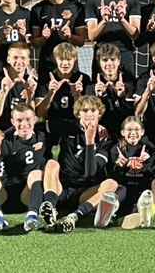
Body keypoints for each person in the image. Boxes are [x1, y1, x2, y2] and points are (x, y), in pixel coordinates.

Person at [38, 96, 123, 233]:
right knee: (52, 163)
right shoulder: (67, 126)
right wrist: (3, 135)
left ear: (99, 114)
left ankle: (74, 217)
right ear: (78, 114)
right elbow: (35, 126)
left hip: (83, 193)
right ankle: (50, 208)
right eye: (84, 110)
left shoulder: (105, 140)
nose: (89, 114)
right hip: (61, 188)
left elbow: (90, 172)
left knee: (112, 184)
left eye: (93, 110)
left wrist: (90, 143)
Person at [0, 104, 47, 233]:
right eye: (19, 120)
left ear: (35, 119)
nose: (24, 124)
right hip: (4, 195)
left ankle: (32, 215)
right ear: (12, 122)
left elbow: (64, 126)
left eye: (28, 119)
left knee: (37, 173)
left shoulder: (43, 136)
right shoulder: (5, 142)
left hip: (27, 196)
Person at [85, 0, 141, 78]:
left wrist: (122, 19)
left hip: (124, 53)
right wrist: (104, 21)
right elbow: (91, 36)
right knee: (99, 94)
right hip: (102, 54)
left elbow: (135, 35)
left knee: (127, 93)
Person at [108, 117, 155, 230]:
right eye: (129, 130)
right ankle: (111, 211)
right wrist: (121, 167)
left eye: (136, 129)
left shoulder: (149, 148)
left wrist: (148, 162)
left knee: (142, 200)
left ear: (142, 132)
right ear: (122, 132)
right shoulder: (116, 150)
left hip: (142, 189)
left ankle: (137, 216)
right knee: (121, 192)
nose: (133, 133)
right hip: (125, 189)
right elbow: (111, 176)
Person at [30, 0, 86, 85]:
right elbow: (35, 43)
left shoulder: (76, 7)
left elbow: (81, 41)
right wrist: (44, 37)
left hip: (69, 63)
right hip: (47, 63)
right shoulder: (38, 9)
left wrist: (70, 36)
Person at [35, 42, 91, 140]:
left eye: (69, 59)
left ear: (75, 59)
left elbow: (85, 115)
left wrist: (77, 95)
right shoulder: (46, 79)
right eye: (61, 59)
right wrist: (51, 93)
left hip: (75, 123)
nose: (65, 63)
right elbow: (39, 113)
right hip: (52, 123)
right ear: (55, 59)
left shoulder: (83, 79)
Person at [85, 43, 135, 140]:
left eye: (112, 59)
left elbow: (131, 114)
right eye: (104, 60)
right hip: (102, 133)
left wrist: (122, 97)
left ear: (118, 61)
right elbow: (91, 117)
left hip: (124, 132)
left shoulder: (129, 84)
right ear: (99, 63)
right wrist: (100, 97)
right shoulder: (91, 87)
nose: (109, 64)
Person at [0, 42, 37, 132]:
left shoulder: (31, 82)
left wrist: (30, 94)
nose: (19, 62)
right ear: (8, 59)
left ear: (28, 61)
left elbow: (31, 118)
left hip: (21, 130)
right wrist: (3, 92)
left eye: (23, 58)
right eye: (15, 57)